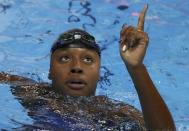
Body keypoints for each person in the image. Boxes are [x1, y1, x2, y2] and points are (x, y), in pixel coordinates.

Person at [0, 5, 176, 130]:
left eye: (87, 60)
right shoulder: (31, 93)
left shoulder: (117, 113)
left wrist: (136, 68)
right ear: (50, 71)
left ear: (99, 74)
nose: (76, 67)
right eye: (65, 58)